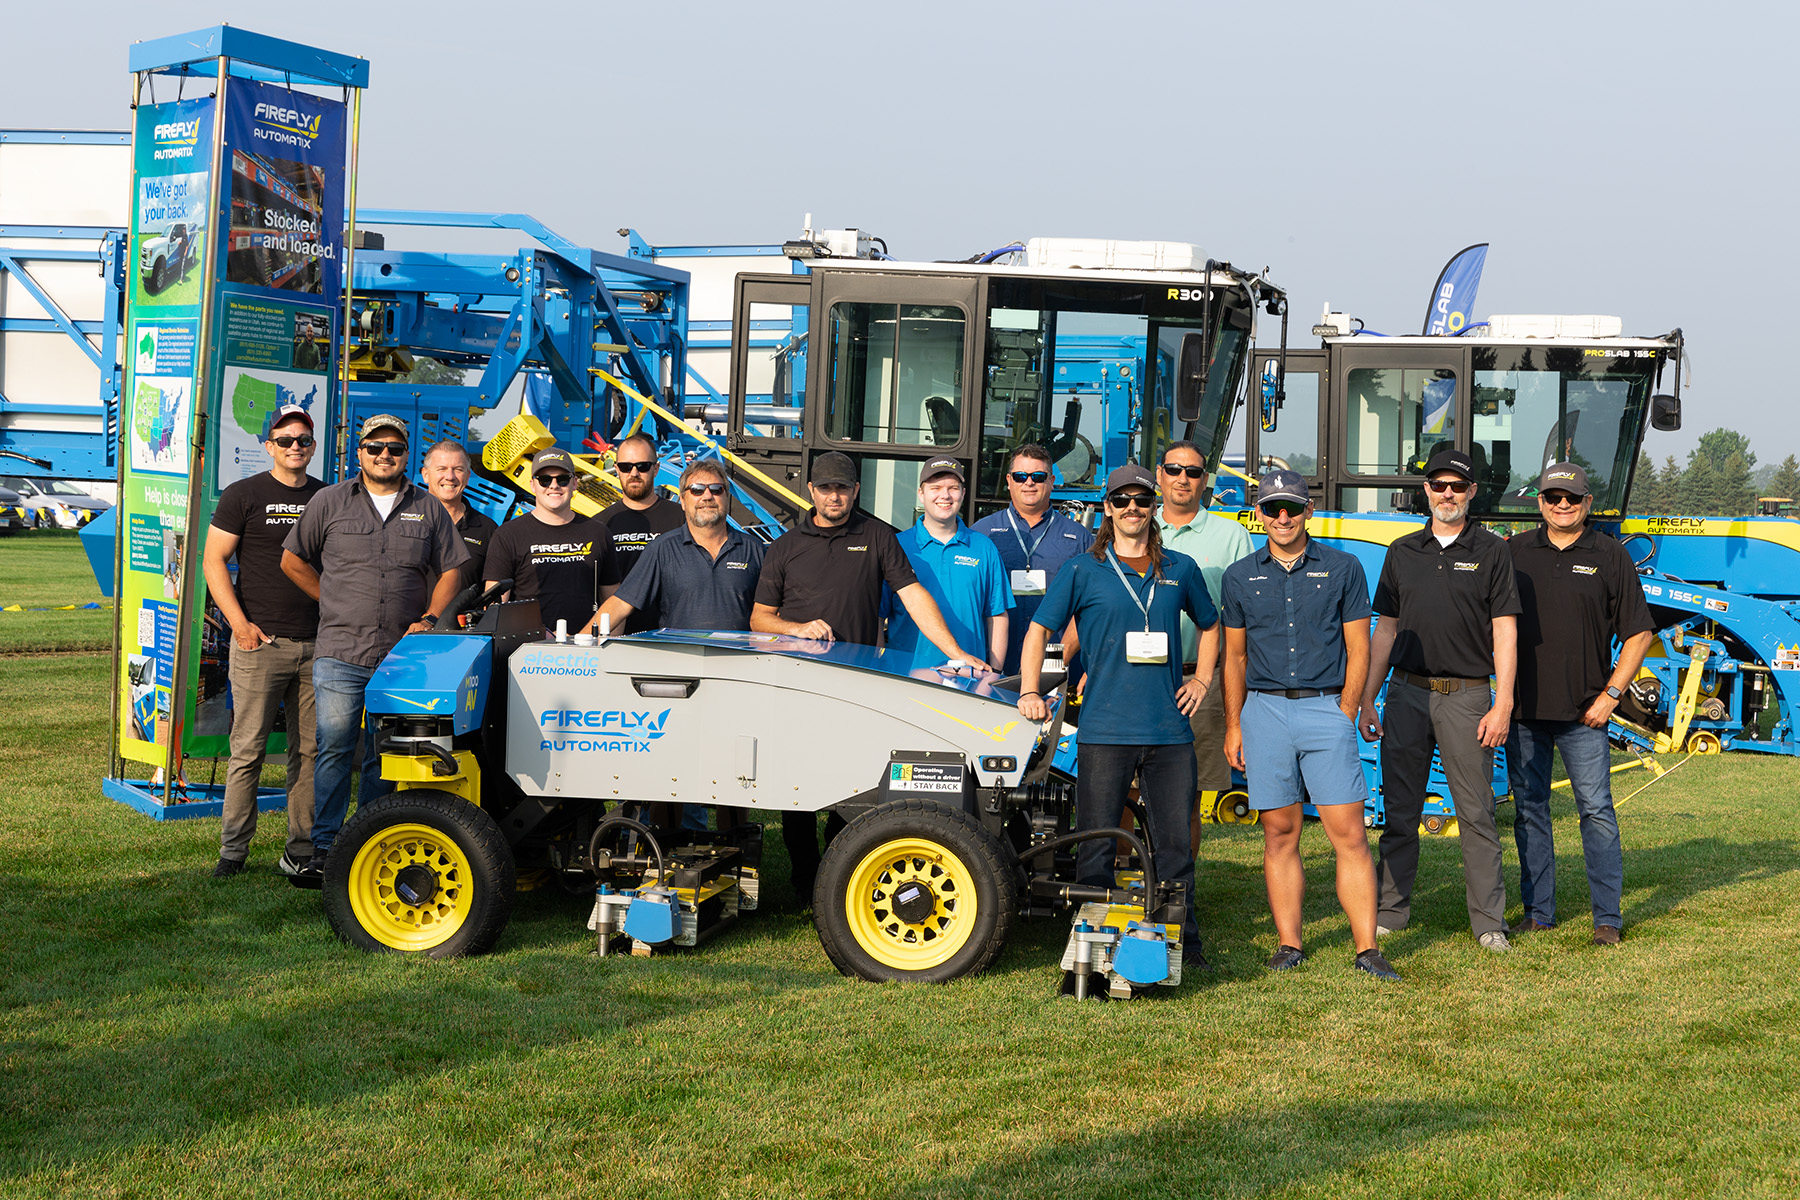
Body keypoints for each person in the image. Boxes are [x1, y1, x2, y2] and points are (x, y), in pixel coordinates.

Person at [751, 450, 991, 904]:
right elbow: (760, 619)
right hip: (797, 686)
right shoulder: (785, 546)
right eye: (826, 488)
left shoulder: (878, 535)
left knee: (856, 785)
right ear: (811, 490)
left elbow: (913, 595)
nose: (834, 496)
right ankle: (805, 883)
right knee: (795, 789)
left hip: (856, 688)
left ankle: (838, 878)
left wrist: (957, 652)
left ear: (855, 490)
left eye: (842, 487)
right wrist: (797, 628)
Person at [1015, 463, 1219, 968]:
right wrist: (1029, 688)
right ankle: (1091, 945)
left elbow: (1213, 627)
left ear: (1153, 510)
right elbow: (1040, 630)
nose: (1133, 509)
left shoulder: (1181, 568)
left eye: (1142, 502)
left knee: (1174, 845)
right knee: (1098, 844)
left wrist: (1202, 679)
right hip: (1104, 730)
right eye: (1122, 501)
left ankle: (1183, 939)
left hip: (1169, 733)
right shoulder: (1083, 570)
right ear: (1107, 508)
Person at [1221, 470, 1398, 980]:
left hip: (1326, 709)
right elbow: (1234, 658)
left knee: (1349, 834)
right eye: (1272, 508)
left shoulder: (1343, 568)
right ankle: (1289, 944)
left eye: (1291, 508)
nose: (1282, 518)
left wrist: (1347, 707)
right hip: (1265, 711)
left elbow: (1359, 646)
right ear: (1259, 514)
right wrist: (1234, 725)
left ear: (1308, 512)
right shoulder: (1239, 576)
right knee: (1280, 833)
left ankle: (1367, 949)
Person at [281, 415, 468, 879]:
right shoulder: (328, 501)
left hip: (400, 657)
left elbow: (452, 571)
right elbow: (291, 559)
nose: (384, 455)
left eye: (395, 448)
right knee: (334, 748)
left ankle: (366, 839)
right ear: (359, 453)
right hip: (341, 650)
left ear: (407, 455)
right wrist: (332, 598)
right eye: (375, 447)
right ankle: (324, 848)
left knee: (383, 753)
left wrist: (428, 619)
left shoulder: (428, 508)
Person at [1358, 448, 1520, 950]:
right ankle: (1390, 911)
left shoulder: (1493, 551)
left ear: (1472, 492)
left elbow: (1505, 632)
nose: (1446, 493)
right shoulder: (1402, 551)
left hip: (1468, 698)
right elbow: (1384, 629)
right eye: (1438, 485)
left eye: (1457, 486)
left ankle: (1489, 923)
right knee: (1399, 812)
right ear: (1426, 490)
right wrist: (1368, 698)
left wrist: (1503, 703)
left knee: (1476, 814)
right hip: (1405, 694)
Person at [1507, 463, 1656, 946]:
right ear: (1540, 502)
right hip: (1523, 712)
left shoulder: (1610, 555)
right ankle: (1538, 912)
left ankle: (1607, 919)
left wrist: (1612, 696)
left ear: (1588, 503)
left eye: (1572, 498)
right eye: (1553, 497)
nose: (1563, 505)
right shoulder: (1513, 552)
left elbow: (1639, 633)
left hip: (1585, 714)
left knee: (1595, 811)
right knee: (1530, 810)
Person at [202, 403, 325, 879]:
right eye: (285, 439)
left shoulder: (329, 495)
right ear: (268, 445)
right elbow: (214, 561)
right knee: (248, 750)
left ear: (313, 446)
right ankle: (233, 852)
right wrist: (240, 625)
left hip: (319, 646)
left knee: (310, 753)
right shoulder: (243, 494)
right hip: (260, 643)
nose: (295, 447)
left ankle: (303, 849)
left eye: (303, 440)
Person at [1157, 438, 1254, 842]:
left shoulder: (1231, 536)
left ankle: (1179, 893)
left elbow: (1245, 619)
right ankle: (1125, 888)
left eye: (1193, 472)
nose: (1183, 479)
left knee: (1187, 795)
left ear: (1205, 481)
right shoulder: (1135, 525)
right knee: (1127, 791)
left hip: (1202, 681)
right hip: (1136, 678)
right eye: (1174, 470)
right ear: (1159, 475)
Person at [591, 458, 764, 635]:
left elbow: (772, 612)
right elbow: (621, 603)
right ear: (682, 500)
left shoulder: (755, 550)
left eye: (716, 489)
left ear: (727, 497)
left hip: (738, 659)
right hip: (680, 658)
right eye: (697, 490)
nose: (707, 496)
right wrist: (579, 641)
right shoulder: (662, 549)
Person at [970, 444, 1092, 676]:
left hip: (1055, 661)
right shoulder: (981, 534)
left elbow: (1093, 608)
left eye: (1038, 476)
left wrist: (1063, 664)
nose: (1029, 482)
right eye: (1020, 476)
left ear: (1051, 480)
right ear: (1009, 480)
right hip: (993, 661)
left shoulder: (1079, 538)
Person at [883, 456, 1012, 671]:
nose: (945, 495)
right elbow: (879, 615)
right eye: (936, 487)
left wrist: (994, 673)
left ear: (963, 493)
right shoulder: (897, 546)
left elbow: (997, 615)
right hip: (907, 676)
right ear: (921, 494)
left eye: (953, 488)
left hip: (970, 677)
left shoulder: (983, 547)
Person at [484, 448, 620, 634]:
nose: (554, 485)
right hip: (529, 653)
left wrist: (607, 649)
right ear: (532, 485)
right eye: (545, 480)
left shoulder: (598, 532)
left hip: (587, 651)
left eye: (562, 479)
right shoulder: (507, 535)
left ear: (574, 483)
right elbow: (494, 609)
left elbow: (614, 603)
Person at [597, 432, 685, 633]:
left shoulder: (682, 518)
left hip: (671, 636)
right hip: (617, 636)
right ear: (617, 470)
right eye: (626, 467)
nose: (634, 473)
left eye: (643, 466)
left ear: (656, 469)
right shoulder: (600, 524)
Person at [422, 439, 498, 594]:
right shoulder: (406, 521)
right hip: (412, 619)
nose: (450, 477)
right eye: (441, 469)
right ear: (425, 475)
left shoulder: (488, 530)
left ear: (468, 476)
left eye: (458, 469)